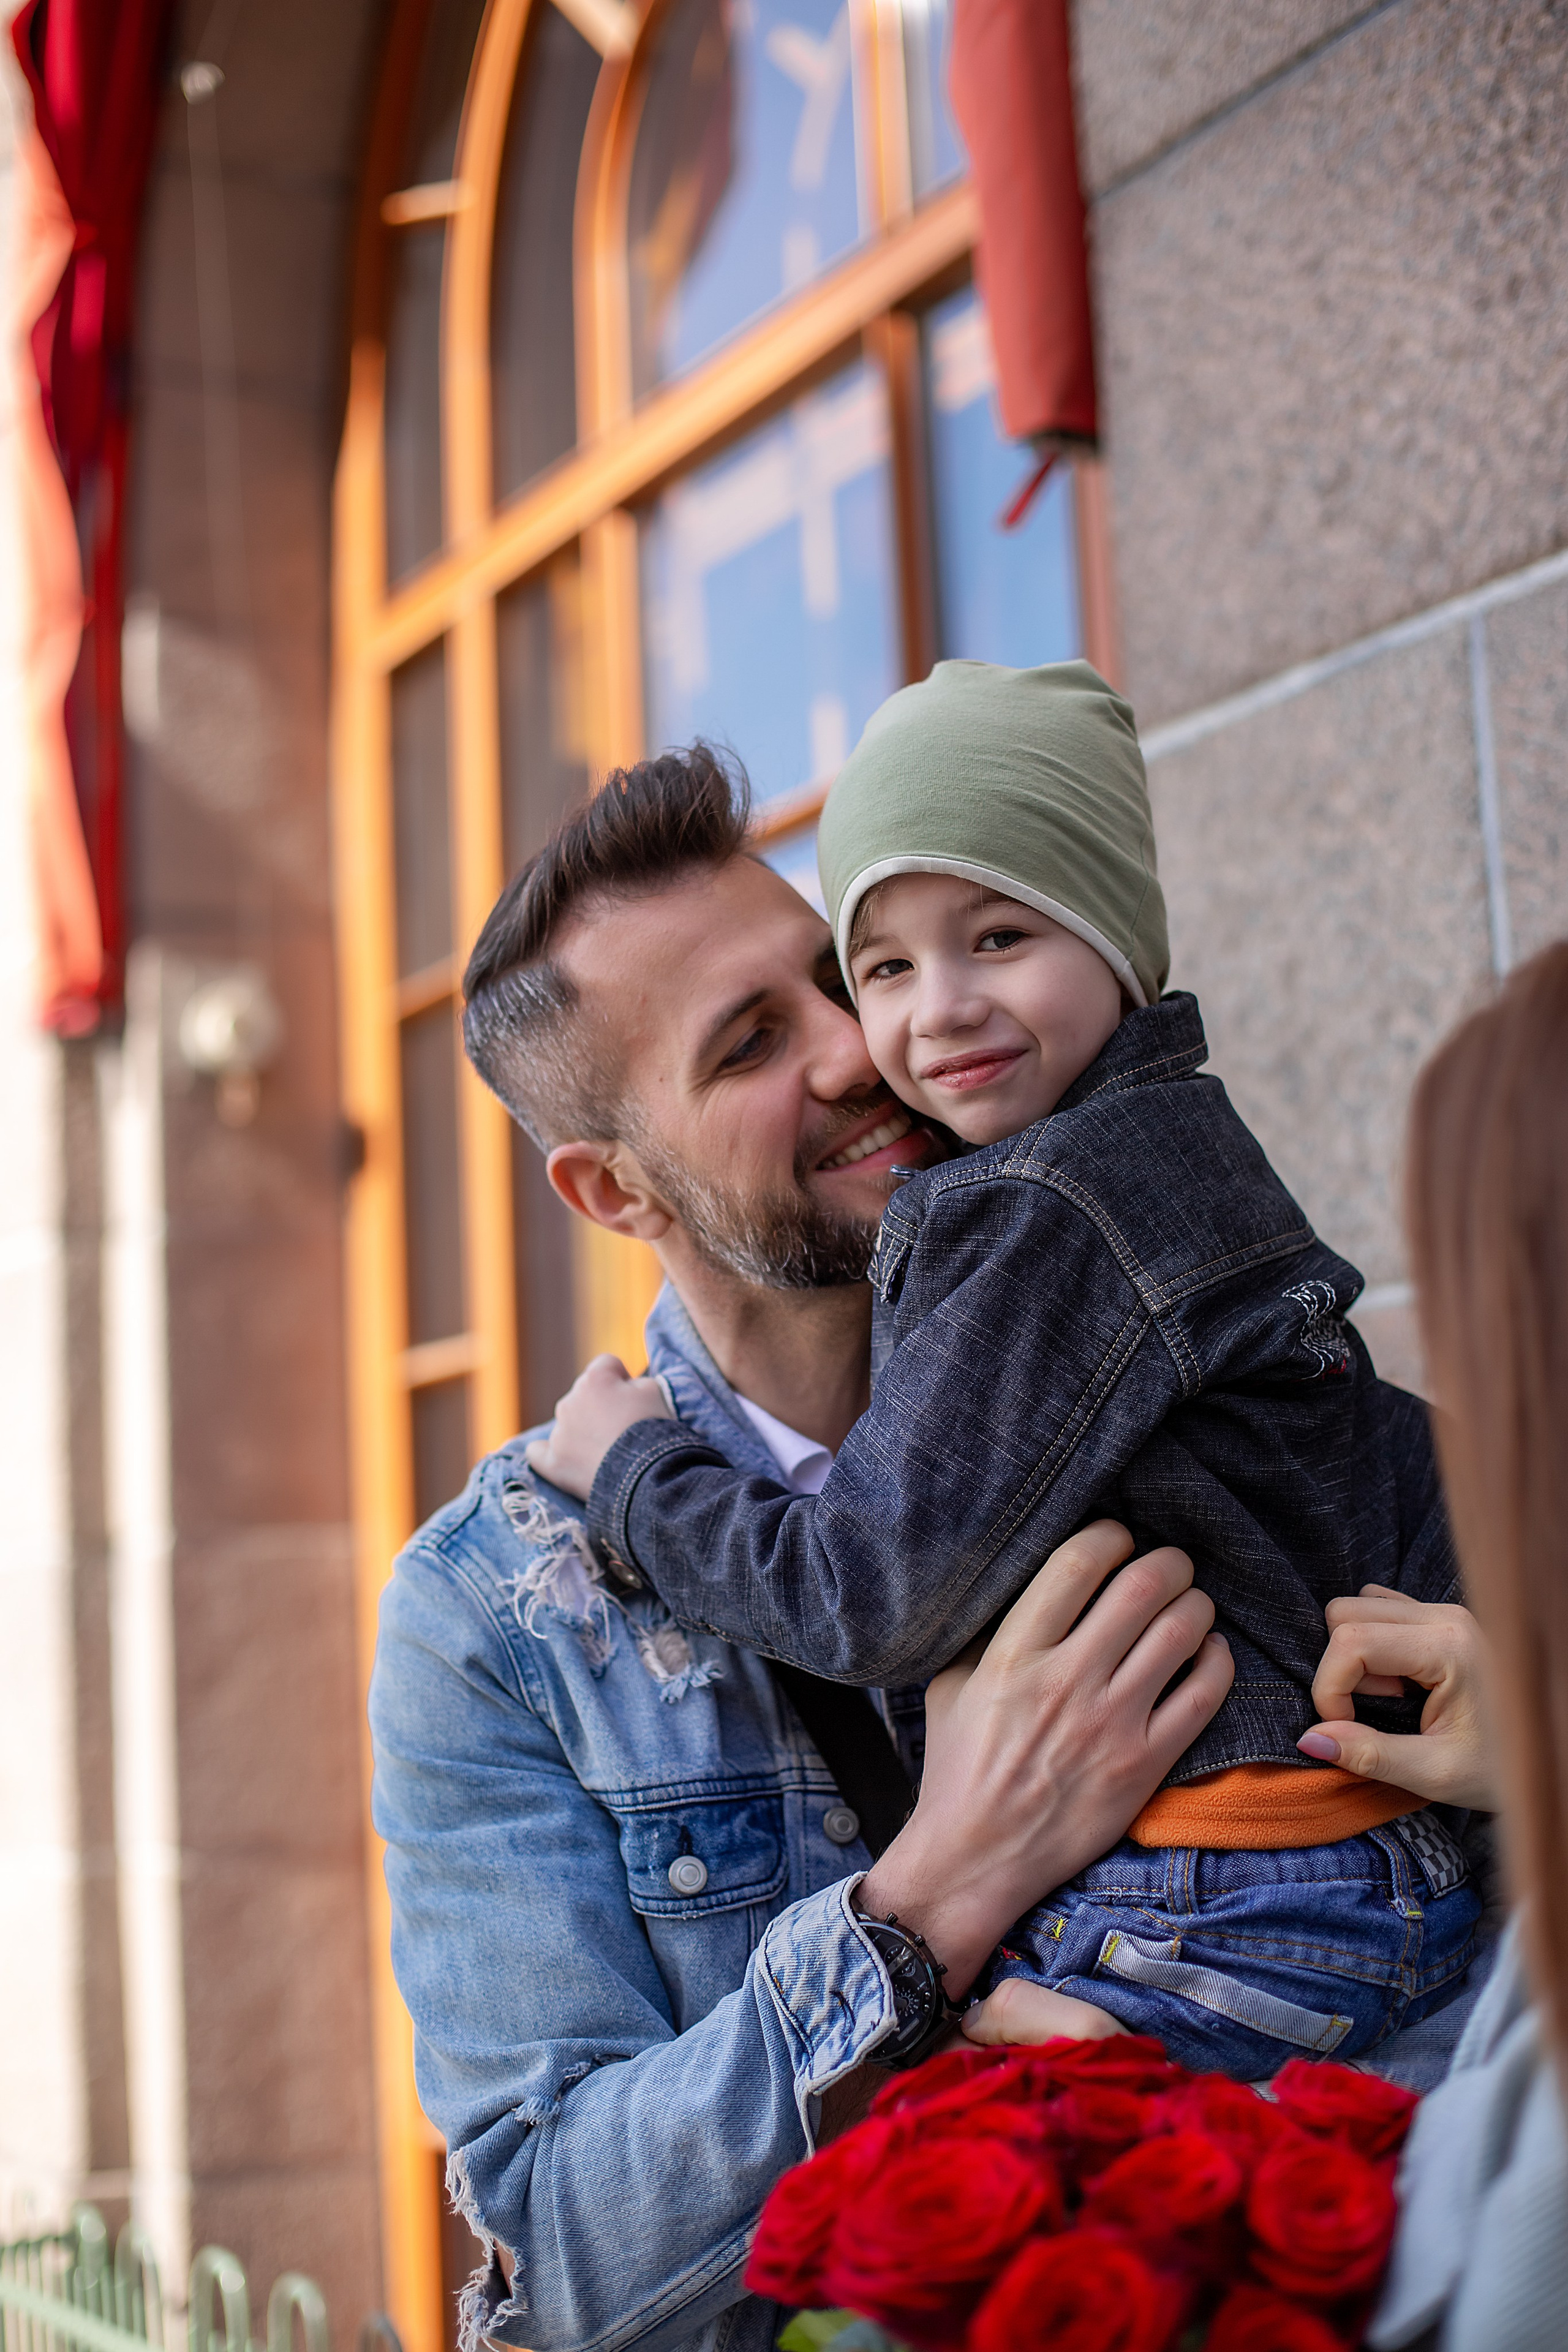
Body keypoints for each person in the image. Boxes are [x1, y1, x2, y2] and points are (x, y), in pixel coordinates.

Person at [369, 746, 1237, 2352]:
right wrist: (927, 1904)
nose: (865, 1047)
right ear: (613, 1188)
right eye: (753, 1043)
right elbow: (564, 2253)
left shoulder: (1155, 1386)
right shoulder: (489, 1617)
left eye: (838, 976)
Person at [530, 661, 1480, 2076]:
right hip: (1357, 1877)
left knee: (929, 2182)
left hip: (1222, 1899)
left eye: (996, 937)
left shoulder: (1050, 1208)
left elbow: (868, 1593)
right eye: (887, 964)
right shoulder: (1165, 1167)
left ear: (1116, 939)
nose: (903, 1028)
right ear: (611, 1190)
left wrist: (629, 1475)